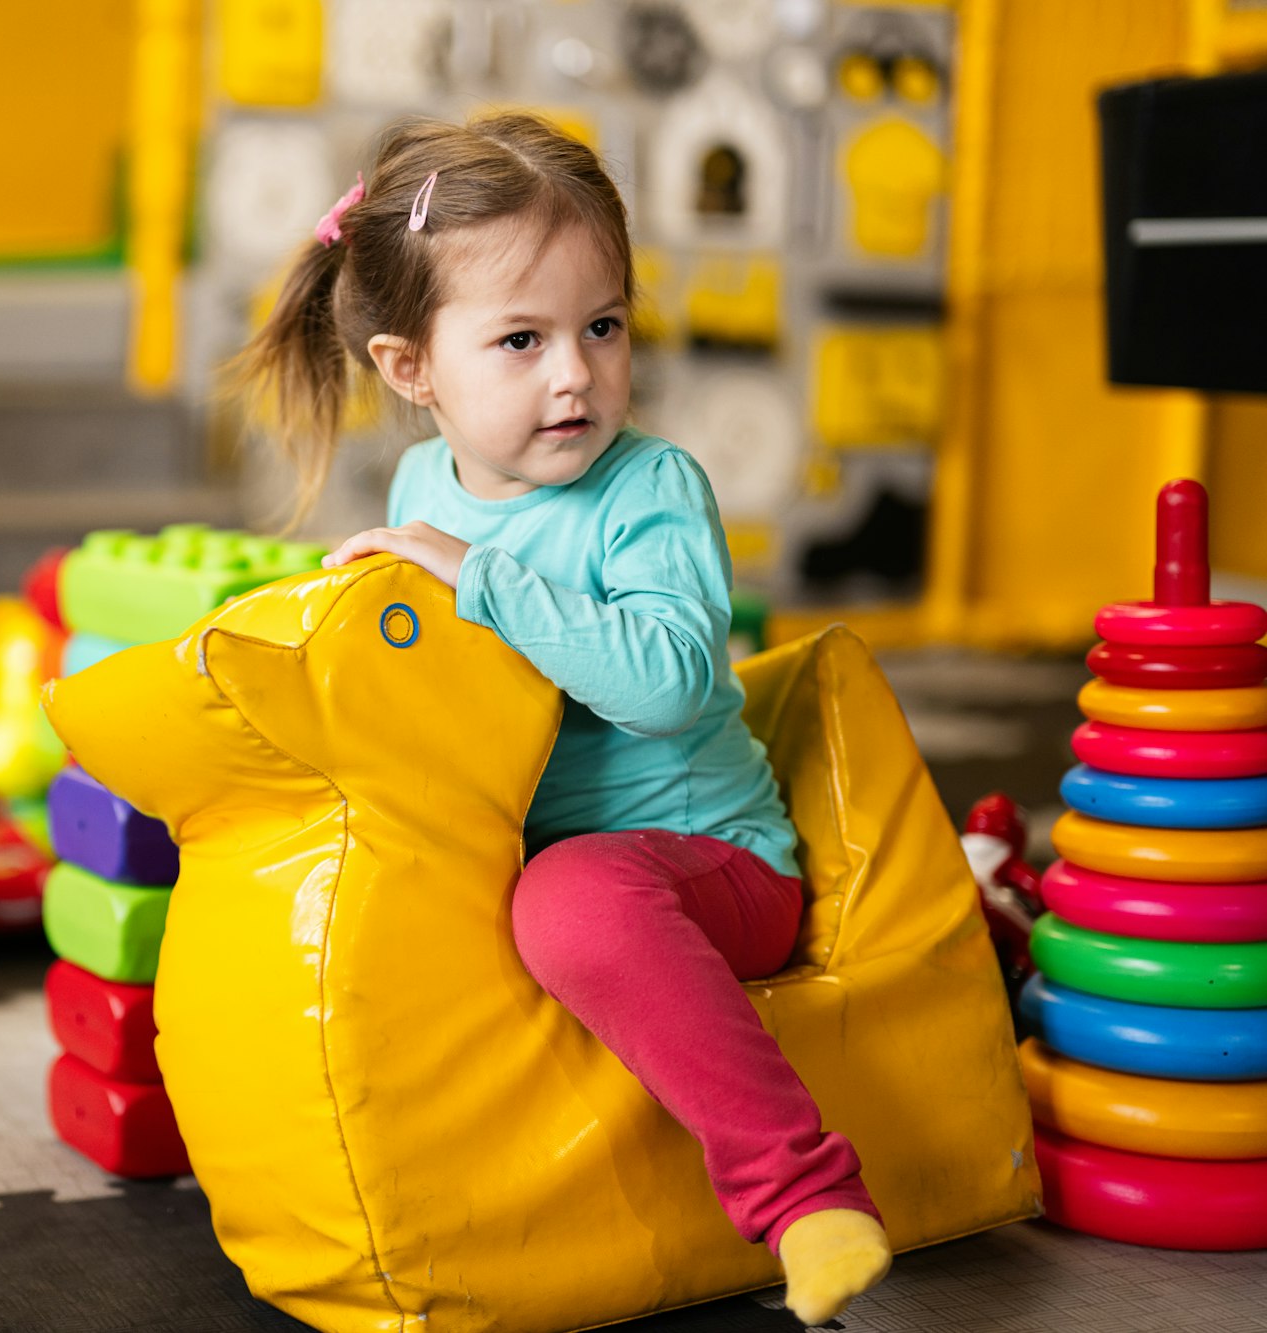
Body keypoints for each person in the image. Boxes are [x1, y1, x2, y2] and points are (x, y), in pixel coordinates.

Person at [235, 112, 891, 1327]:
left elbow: (670, 688)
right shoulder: (424, 484)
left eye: (600, 326)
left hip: (703, 863)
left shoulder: (647, 489)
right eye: (521, 340)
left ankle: (803, 1195)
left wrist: (475, 577)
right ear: (409, 369)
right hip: (524, 849)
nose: (573, 374)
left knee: (571, 900)